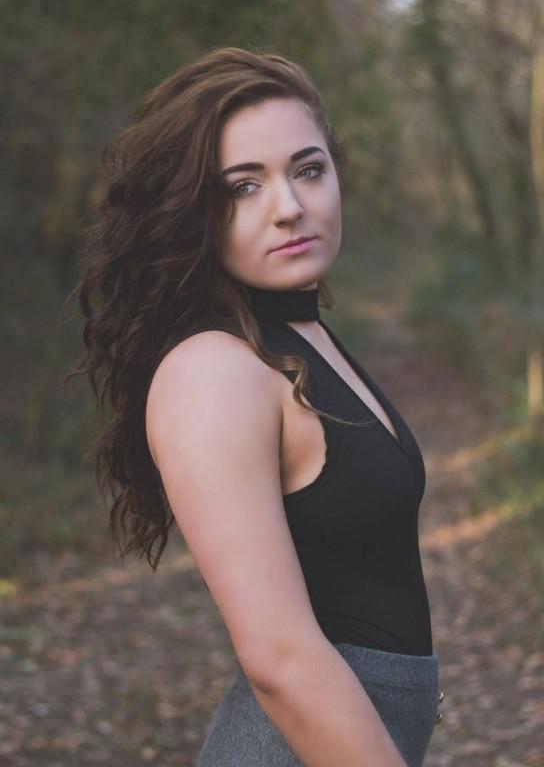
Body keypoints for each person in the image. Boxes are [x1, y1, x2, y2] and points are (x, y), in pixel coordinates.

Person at [69, 46, 444, 766]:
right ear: (192, 213)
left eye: (308, 169)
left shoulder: (302, 333)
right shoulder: (214, 371)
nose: (289, 207)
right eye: (243, 187)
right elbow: (278, 658)